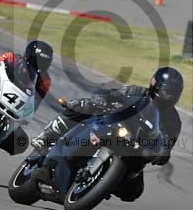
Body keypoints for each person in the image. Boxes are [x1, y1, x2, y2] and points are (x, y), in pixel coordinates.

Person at [29, 67, 184, 201]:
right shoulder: (136, 92)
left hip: (135, 150)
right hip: (111, 128)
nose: (170, 97)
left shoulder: (174, 120)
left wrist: (163, 153)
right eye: (167, 92)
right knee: (82, 106)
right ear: (154, 85)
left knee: (132, 193)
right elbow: (111, 94)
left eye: (174, 94)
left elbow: (168, 143)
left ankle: (101, 184)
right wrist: (102, 99)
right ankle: (47, 136)